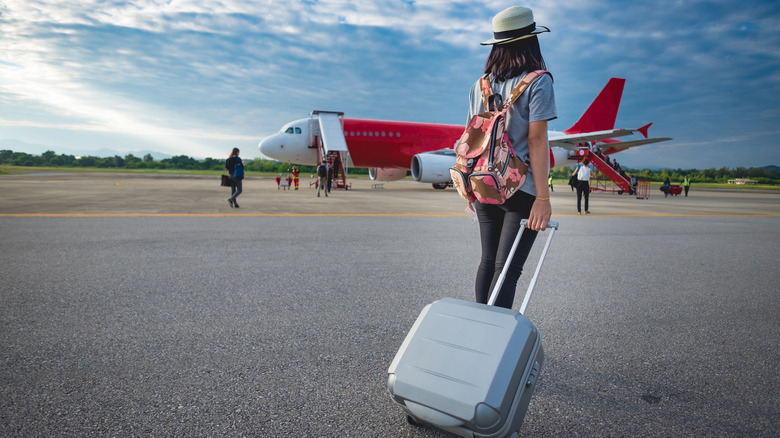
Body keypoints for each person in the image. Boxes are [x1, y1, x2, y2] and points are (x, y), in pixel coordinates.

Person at [467, 5, 555, 309]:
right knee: (508, 270)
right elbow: (536, 139)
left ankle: (480, 331)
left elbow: (472, 138)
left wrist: (469, 187)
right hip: (520, 188)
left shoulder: (481, 85)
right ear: (531, 40)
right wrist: (542, 198)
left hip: (484, 183)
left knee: (488, 261)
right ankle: (495, 341)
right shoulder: (538, 81)